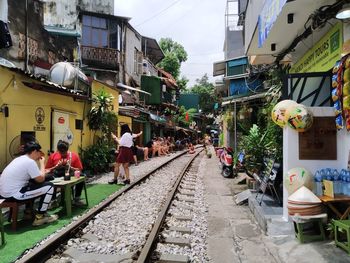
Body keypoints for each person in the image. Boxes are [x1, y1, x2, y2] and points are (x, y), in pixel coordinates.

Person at [0, 141, 58, 226]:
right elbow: (41, 179)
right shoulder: (30, 162)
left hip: (4, 194)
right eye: (39, 152)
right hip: (14, 195)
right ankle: (40, 217)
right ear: (35, 151)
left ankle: (28, 212)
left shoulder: (19, 159)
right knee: (49, 186)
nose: (40, 155)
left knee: (31, 185)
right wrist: (42, 164)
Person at [45, 140, 85, 206]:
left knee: (81, 175)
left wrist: (71, 167)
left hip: (70, 174)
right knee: (48, 178)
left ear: (67, 149)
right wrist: (56, 167)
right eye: (61, 152)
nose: (63, 154)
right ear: (58, 150)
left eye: (64, 152)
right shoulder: (53, 156)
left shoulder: (74, 156)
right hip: (57, 174)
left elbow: (79, 169)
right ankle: (53, 200)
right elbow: (47, 170)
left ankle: (77, 198)